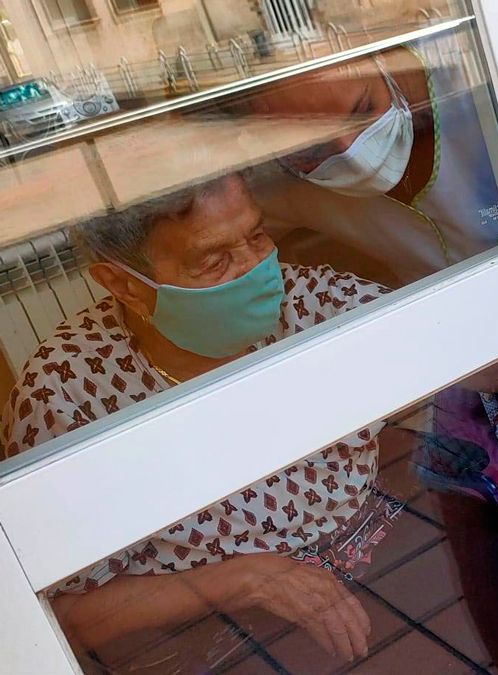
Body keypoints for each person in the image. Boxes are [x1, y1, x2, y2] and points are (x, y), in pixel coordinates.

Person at [0, 172, 397, 668]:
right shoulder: (67, 395)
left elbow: (445, 335)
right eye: (213, 260)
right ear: (124, 284)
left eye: (256, 235)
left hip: (380, 547)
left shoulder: (306, 300)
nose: (257, 269)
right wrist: (242, 581)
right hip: (207, 635)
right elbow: (59, 612)